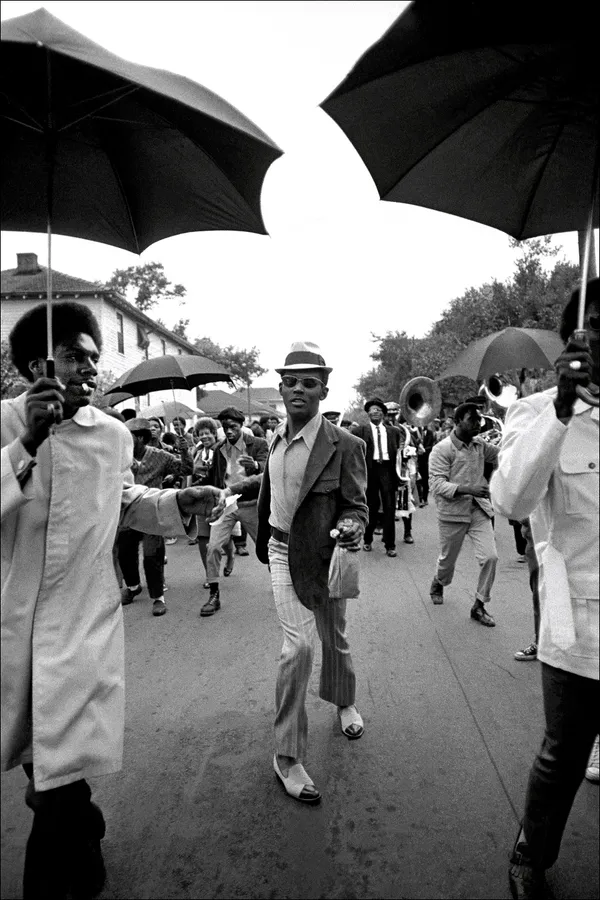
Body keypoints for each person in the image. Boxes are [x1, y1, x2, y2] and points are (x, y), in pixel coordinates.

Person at [1, 301, 220, 899]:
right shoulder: (1, 425)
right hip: (13, 629)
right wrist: (26, 442)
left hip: (84, 627)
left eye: (93, 360)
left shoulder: (113, 435)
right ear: (34, 363)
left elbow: (125, 505)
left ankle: (59, 879)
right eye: (74, 357)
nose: (88, 370)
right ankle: (86, 830)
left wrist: (178, 502)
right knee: (43, 766)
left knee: (56, 782)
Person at [214, 341, 368, 803]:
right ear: (280, 388)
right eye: (291, 382)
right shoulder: (275, 438)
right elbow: (280, 484)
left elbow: (356, 503)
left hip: (328, 556)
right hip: (282, 554)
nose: (299, 389)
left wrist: (351, 524)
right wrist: (238, 486)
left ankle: (343, 701)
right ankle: (286, 755)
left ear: (323, 389)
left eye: (309, 382)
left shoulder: (346, 445)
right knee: (298, 646)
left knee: (333, 637)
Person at [491, 279, 599, 900]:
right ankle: (533, 849)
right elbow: (511, 499)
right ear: (574, 339)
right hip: (578, 623)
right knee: (562, 756)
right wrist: (561, 411)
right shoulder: (534, 412)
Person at [428, 402, 499, 626]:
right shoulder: (442, 449)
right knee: (447, 562)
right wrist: (468, 489)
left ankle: (479, 605)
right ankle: (439, 581)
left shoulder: (480, 445)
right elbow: (437, 484)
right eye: (472, 420)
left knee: (490, 557)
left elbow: (504, 455)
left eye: (479, 420)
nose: (478, 425)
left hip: (478, 510)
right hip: (452, 513)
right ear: (457, 422)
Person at [118, 418, 193, 615]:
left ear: (141, 438)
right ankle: (133, 587)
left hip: (151, 512)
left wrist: (184, 450)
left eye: (129, 436)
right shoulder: (119, 456)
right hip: (126, 511)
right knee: (125, 553)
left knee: (152, 555)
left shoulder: (160, 456)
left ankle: (158, 597)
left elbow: (186, 470)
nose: (123, 439)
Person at [201, 406, 268, 616]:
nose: (228, 431)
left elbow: (268, 470)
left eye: (233, 427)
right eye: (225, 427)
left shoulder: (258, 444)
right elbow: (213, 477)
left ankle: (285, 584)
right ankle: (214, 595)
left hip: (252, 503)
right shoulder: (219, 449)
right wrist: (194, 487)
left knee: (268, 552)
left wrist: (257, 465)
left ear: (242, 425)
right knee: (212, 547)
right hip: (227, 504)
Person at [351, 398, 401, 557]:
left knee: (389, 507)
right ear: (368, 413)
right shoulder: (360, 431)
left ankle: (390, 544)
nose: (375, 412)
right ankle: (367, 539)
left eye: (378, 410)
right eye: (372, 410)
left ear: (383, 414)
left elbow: (398, 453)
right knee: (370, 506)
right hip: (370, 471)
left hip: (387, 470)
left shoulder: (394, 431)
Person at [190, 417, 235, 585]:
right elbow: (189, 471)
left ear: (215, 434)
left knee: (222, 537)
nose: (204, 437)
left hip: (219, 498)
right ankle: (209, 575)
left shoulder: (223, 449)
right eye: (200, 434)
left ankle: (230, 557)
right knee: (203, 537)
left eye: (207, 433)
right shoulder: (196, 452)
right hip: (200, 498)